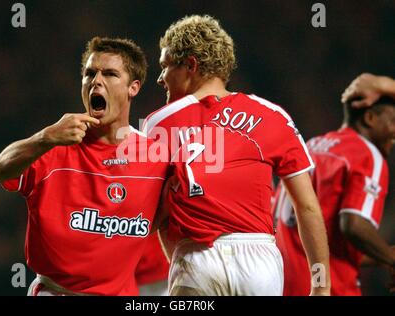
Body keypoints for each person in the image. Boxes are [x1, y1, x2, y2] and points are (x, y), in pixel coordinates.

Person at [141, 15, 331, 296]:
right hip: (260, 264)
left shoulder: (159, 122)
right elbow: (308, 208)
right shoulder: (274, 116)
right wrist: (321, 286)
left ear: (190, 65)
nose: (160, 78)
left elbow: (153, 216)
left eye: (166, 66)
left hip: (197, 258)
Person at [0, 37, 169, 296]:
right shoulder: (54, 144)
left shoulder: (155, 155)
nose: (96, 81)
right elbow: (0, 169)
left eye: (109, 74)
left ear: (134, 87)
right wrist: (45, 137)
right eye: (89, 74)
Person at [274, 86, 395, 295]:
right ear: (370, 118)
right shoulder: (366, 154)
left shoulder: (311, 146)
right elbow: (353, 225)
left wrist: (383, 255)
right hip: (329, 287)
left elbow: (326, 236)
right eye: (393, 121)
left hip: (283, 283)